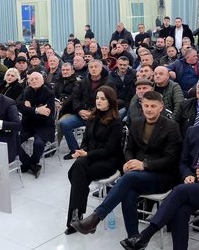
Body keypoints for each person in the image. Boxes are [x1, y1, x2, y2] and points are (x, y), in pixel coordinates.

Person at [121, 95, 199, 250]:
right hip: (193, 185)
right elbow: (183, 162)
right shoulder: (193, 132)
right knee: (180, 211)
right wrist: (187, 175)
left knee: (180, 190)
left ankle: (145, 235)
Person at [71, 91, 182, 239]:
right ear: (142, 105)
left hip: (161, 175)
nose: (149, 109)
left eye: (153, 106)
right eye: (146, 105)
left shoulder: (172, 127)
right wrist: (129, 162)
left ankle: (96, 218)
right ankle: (133, 238)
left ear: (161, 107)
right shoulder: (136, 123)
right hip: (139, 174)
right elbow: (129, 149)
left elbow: (171, 159)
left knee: (128, 180)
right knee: (128, 193)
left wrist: (144, 165)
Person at [65, 86, 124, 234]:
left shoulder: (116, 122)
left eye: (103, 99)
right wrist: (81, 151)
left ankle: (75, 217)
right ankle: (78, 218)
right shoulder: (92, 117)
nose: (99, 101)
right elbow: (85, 140)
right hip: (90, 157)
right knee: (78, 171)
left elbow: (110, 150)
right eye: (97, 98)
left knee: (76, 173)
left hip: (108, 161)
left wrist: (87, 154)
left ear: (110, 101)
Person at [17, 72, 56, 178]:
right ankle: (30, 164)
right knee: (15, 141)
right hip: (28, 125)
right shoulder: (26, 90)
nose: (34, 81)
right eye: (31, 79)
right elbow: (17, 104)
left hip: (44, 125)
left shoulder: (49, 93)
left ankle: (32, 163)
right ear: (29, 82)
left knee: (38, 143)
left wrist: (29, 110)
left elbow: (47, 114)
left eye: (36, 79)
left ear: (42, 80)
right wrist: (36, 110)